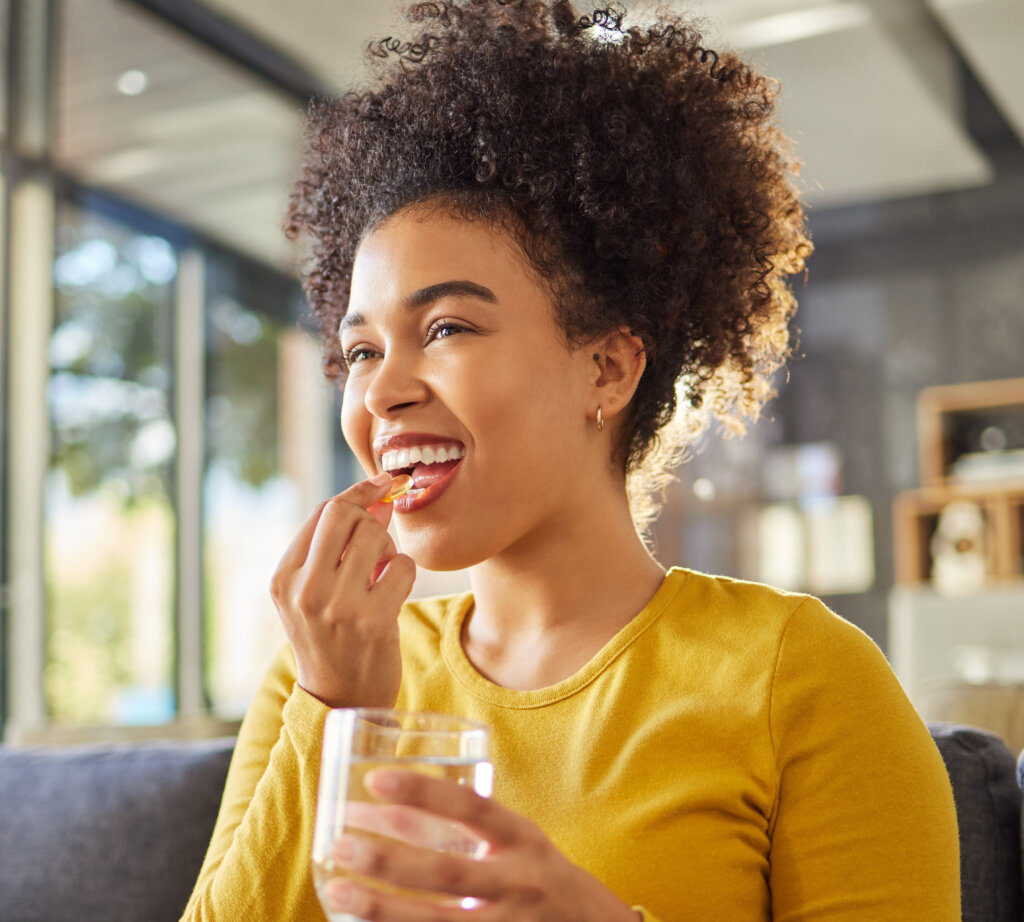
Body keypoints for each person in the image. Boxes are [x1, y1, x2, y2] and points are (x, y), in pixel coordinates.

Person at [181, 2, 960, 920]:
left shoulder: (799, 676)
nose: (382, 390)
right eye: (360, 351)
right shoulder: (324, 671)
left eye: (446, 328)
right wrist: (340, 715)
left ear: (607, 367)